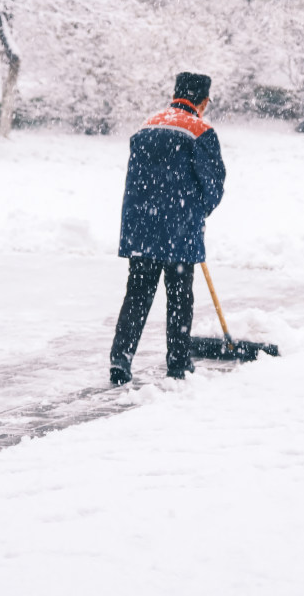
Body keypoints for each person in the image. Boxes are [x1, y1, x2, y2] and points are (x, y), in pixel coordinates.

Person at [110, 72, 226, 384]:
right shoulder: (200, 130)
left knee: (137, 294)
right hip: (179, 229)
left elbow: (137, 178)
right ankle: (178, 361)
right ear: (201, 101)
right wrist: (199, 212)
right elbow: (214, 184)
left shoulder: (147, 124)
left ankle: (120, 359)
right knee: (179, 296)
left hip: (142, 227)